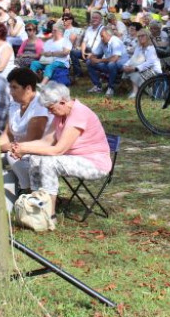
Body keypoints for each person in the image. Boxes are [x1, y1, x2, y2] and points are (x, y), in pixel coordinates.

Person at [10, 82, 111, 219]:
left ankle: (49, 215)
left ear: (62, 102)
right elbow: (45, 142)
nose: (49, 112)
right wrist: (20, 147)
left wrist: (26, 148)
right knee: (35, 158)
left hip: (95, 163)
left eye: (51, 108)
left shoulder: (79, 113)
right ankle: (37, 202)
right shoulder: (60, 115)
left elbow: (58, 150)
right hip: (73, 159)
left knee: (49, 162)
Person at [0, 68, 50, 191]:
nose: (11, 92)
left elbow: (31, 139)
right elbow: (7, 133)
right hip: (14, 147)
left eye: (14, 88)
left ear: (28, 88)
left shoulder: (40, 105)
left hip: (35, 150)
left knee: (13, 156)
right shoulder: (14, 104)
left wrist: (6, 147)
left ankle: (31, 192)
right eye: (10, 87)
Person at [122, 28, 162, 99]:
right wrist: (125, 65)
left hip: (154, 70)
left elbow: (150, 63)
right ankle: (138, 91)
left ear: (147, 36)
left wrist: (135, 68)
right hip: (143, 68)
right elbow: (134, 58)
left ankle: (135, 92)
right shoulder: (139, 47)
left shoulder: (152, 48)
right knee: (129, 69)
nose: (140, 38)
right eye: (139, 36)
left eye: (143, 36)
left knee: (133, 72)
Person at [87, 27, 126, 96]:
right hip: (108, 64)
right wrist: (92, 58)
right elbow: (95, 53)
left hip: (121, 65)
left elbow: (115, 58)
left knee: (111, 64)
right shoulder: (103, 41)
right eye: (101, 36)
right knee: (89, 62)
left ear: (109, 35)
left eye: (102, 36)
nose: (101, 38)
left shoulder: (115, 41)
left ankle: (111, 88)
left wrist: (98, 60)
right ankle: (97, 86)